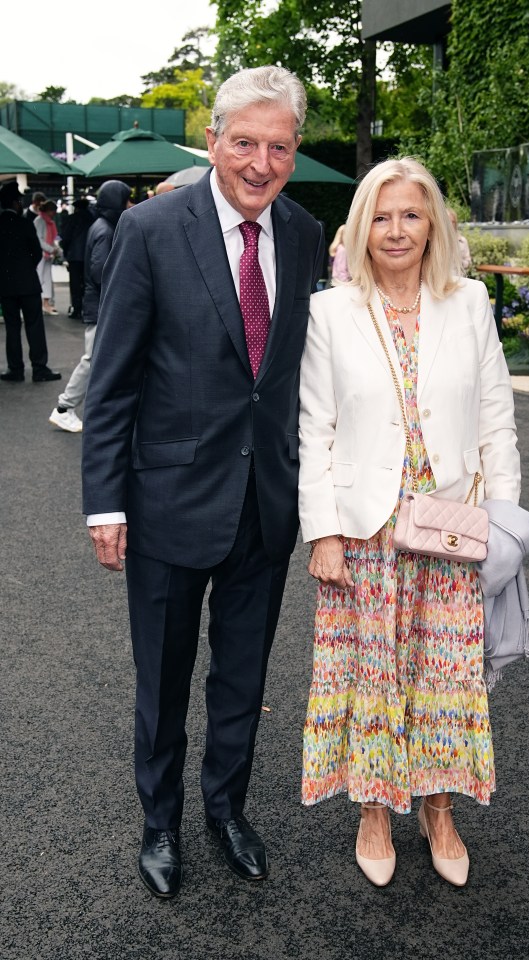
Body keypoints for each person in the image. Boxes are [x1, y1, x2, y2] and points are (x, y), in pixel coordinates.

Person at [81, 65, 324, 899]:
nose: (260, 163)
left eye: (280, 147)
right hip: (166, 503)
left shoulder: (301, 233)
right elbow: (111, 382)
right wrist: (105, 502)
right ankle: (160, 822)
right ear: (214, 140)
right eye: (245, 143)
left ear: (294, 152)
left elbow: (293, 379)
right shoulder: (151, 230)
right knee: (163, 677)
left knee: (243, 676)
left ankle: (226, 809)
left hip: (266, 506)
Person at [298, 157, 520, 889]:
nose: (396, 231)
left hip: (450, 525)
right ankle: (372, 807)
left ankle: (437, 807)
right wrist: (323, 530)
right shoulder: (330, 310)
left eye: (411, 215)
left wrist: (504, 525)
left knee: (446, 676)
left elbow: (496, 421)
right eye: (382, 216)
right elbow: (315, 430)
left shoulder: (469, 303)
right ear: (362, 226)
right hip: (364, 531)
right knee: (372, 671)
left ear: (432, 224)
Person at [49, 181, 131, 433]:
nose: (129, 204)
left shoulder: (102, 226)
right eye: (125, 199)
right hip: (100, 306)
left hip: (98, 304)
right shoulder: (105, 230)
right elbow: (101, 271)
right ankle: (64, 407)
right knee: (92, 359)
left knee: (99, 359)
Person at [0, 180, 61, 383]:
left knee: (12, 327)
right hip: (28, 283)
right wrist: (25, 269)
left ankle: (15, 369)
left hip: (6, 286)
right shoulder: (24, 223)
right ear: (16, 202)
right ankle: (39, 368)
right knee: (34, 325)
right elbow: (36, 252)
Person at [59, 198, 94, 319]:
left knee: (75, 284)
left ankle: (76, 308)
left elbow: (66, 238)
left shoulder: (72, 218)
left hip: (74, 255)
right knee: (87, 283)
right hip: (88, 255)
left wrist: (65, 252)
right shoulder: (92, 218)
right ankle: (87, 308)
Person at [34, 200, 61, 315]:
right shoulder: (40, 221)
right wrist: (52, 249)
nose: (54, 213)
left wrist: (55, 250)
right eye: (53, 211)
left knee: (46, 278)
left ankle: (45, 303)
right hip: (41, 254)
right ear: (49, 210)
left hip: (46, 254)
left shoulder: (47, 221)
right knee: (41, 278)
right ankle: (42, 304)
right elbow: (39, 239)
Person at [447, 207, 472, 273]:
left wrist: (460, 262)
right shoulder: (435, 240)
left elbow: (468, 261)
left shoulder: (462, 241)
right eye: (448, 221)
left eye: (453, 222)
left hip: (458, 279)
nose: (450, 224)